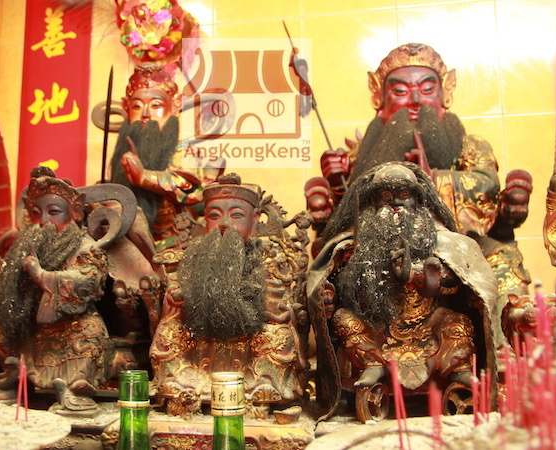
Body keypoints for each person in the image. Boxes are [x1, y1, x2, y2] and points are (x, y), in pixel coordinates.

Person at [307, 43, 531, 353]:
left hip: (460, 244)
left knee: (502, 262)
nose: (414, 100)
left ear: (444, 93)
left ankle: (505, 352)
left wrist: (430, 179)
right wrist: (335, 186)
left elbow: (486, 186)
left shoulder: (469, 145)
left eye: (426, 89)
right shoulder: (358, 156)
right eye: (400, 91)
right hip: (376, 246)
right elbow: (346, 219)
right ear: (379, 97)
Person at [308, 162, 498, 419]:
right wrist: (329, 294)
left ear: (418, 200)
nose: (396, 203)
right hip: (376, 328)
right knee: (344, 320)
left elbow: (463, 279)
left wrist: (420, 277)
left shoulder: (441, 238)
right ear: (372, 200)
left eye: (404, 195)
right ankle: (373, 365)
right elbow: (331, 280)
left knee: (458, 323)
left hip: (429, 325)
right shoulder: (353, 243)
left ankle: (458, 370)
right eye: (386, 196)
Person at [149, 173, 310, 419]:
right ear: (205, 221)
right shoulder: (191, 259)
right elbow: (175, 300)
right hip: (199, 338)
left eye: (236, 215)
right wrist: (180, 298)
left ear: (254, 220)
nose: (224, 223)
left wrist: (255, 301)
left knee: (277, 335)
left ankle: (262, 387)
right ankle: (182, 384)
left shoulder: (269, 259)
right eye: (214, 216)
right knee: (170, 332)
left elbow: (279, 303)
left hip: (250, 341)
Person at [0, 167, 118, 414]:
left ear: (75, 213)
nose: (43, 220)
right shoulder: (23, 245)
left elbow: (88, 280)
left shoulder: (85, 246)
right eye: (36, 213)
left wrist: (41, 276)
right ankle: (14, 377)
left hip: (71, 327)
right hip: (30, 328)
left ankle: (75, 390)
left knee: (90, 332)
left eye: (53, 212)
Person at [109, 62, 222, 251]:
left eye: (156, 105)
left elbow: (188, 186)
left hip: (176, 242)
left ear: (175, 106)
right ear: (126, 108)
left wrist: (144, 177)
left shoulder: (185, 150)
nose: (146, 114)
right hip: (130, 244)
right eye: (137, 106)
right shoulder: (123, 153)